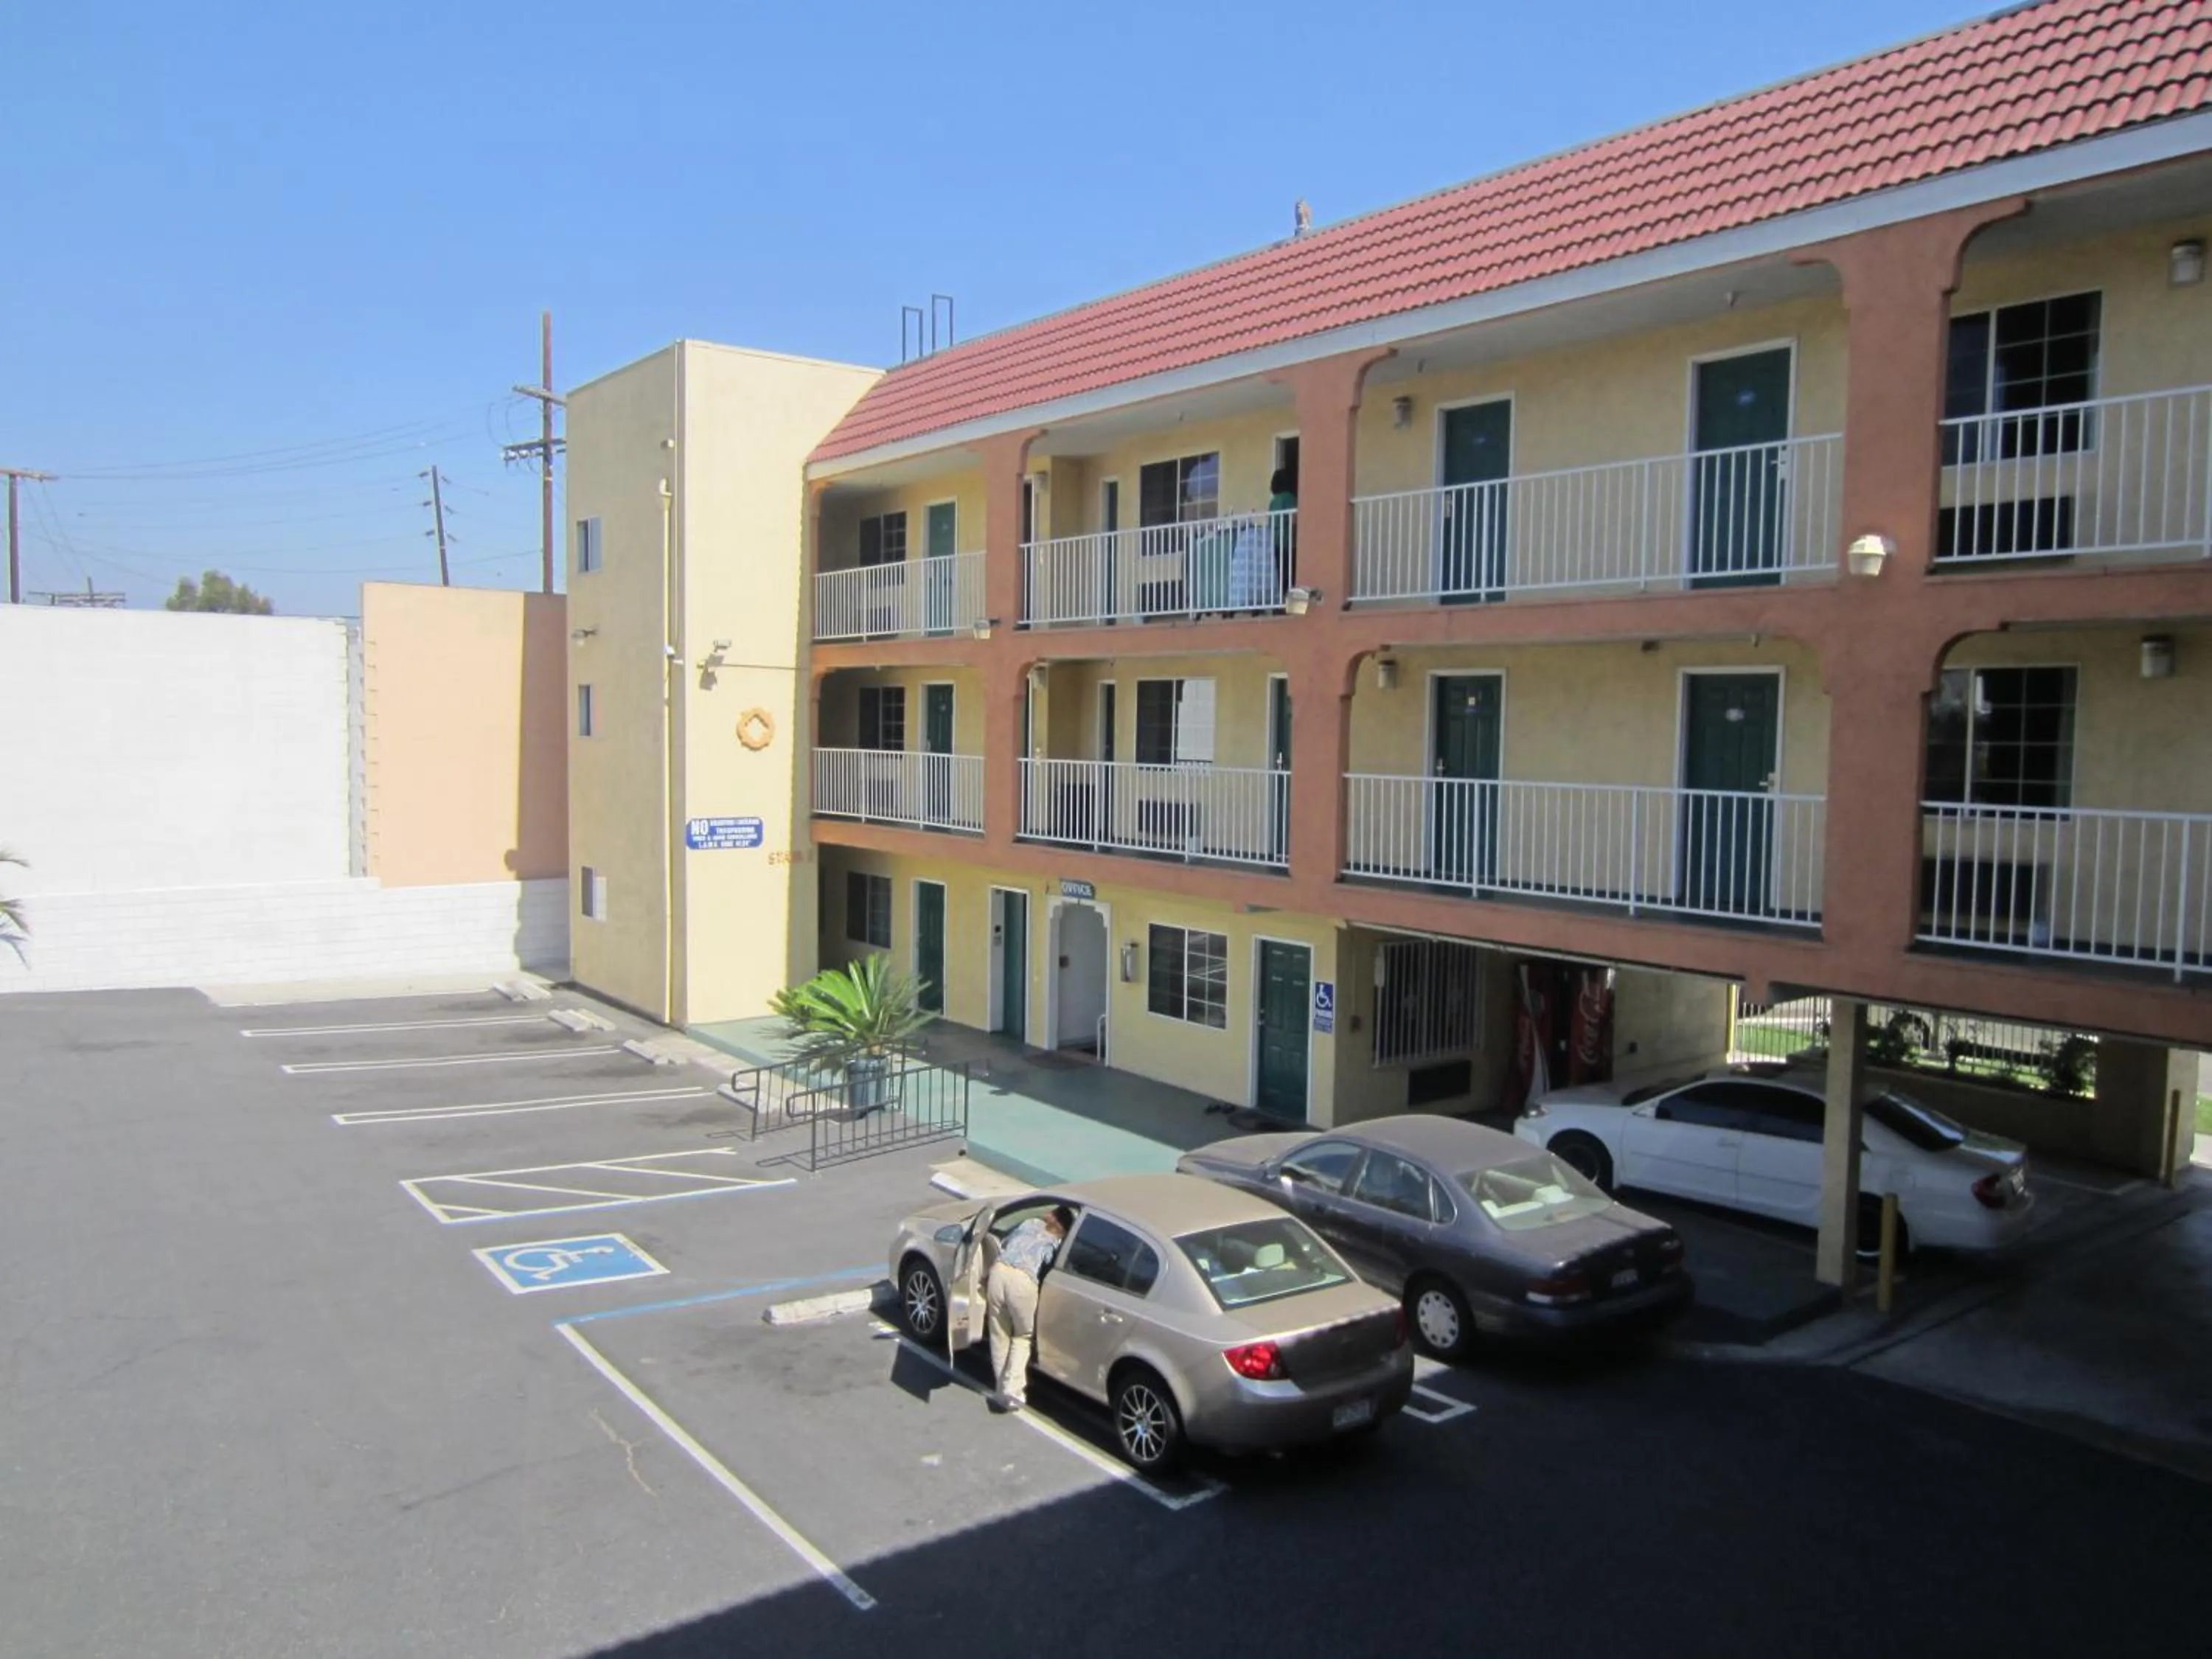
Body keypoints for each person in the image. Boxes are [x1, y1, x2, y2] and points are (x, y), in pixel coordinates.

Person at [985, 1204, 1073, 1413]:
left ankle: (1002, 1392)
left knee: (999, 1334)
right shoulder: (1056, 1243)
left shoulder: (1029, 1223)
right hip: (1023, 1280)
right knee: (1023, 1336)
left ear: (1052, 1217)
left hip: (999, 1271)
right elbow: (1049, 1266)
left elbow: (1004, 1242)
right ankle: (1012, 1389)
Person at [1268, 464, 1299, 604]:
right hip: (1288, 542)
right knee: (1292, 575)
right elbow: (1295, 519)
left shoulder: (1274, 501)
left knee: (1281, 575)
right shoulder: (1290, 498)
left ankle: (1281, 604)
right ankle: (1292, 606)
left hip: (1275, 542)